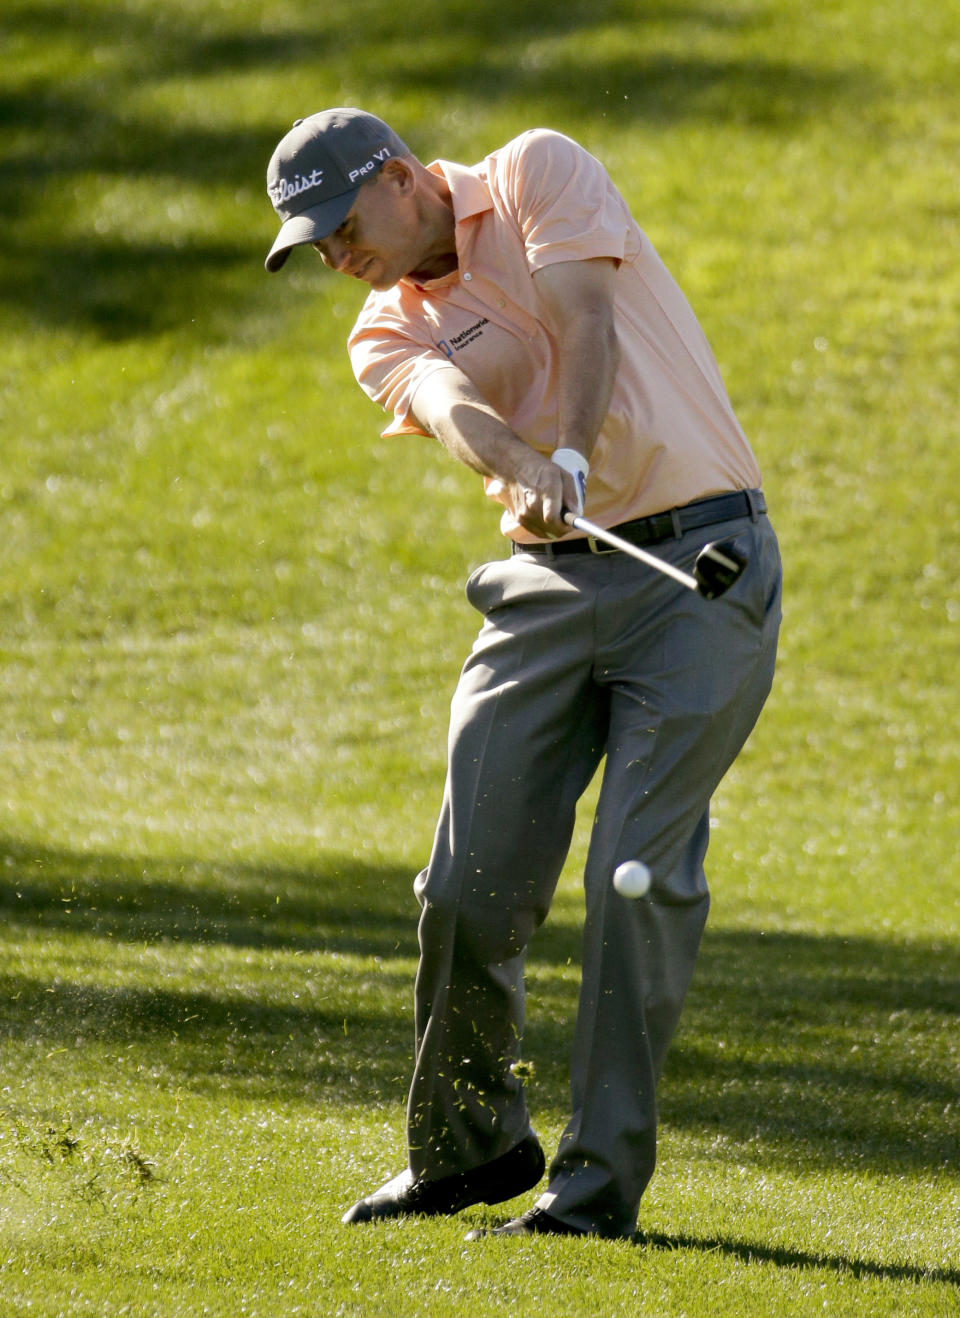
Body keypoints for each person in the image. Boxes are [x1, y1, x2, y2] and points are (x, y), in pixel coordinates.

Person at [264, 108, 782, 1240]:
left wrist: (572, 456)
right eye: (316, 246)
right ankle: (467, 1150)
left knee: (634, 880)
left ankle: (594, 1194)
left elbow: (584, 315)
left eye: (344, 225)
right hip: (541, 584)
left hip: (694, 564)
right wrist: (522, 464)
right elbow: (452, 412)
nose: (337, 256)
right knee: (465, 883)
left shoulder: (537, 170)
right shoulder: (381, 332)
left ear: (404, 177)